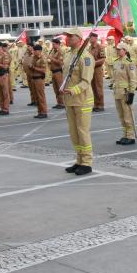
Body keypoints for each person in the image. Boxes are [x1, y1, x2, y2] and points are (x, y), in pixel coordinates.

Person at [62, 28, 95, 175]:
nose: (67, 38)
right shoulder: (69, 55)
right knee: (74, 132)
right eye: (67, 36)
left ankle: (87, 162)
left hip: (82, 100)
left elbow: (86, 81)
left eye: (70, 36)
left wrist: (73, 90)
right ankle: (79, 160)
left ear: (79, 38)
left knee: (82, 132)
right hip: (70, 100)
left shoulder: (86, 57)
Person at [112, 42, 137, 145]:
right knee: (121, 115)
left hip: (125, 92)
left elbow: (133, 79)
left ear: (125, 50)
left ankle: (131, 136)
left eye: (119, 49)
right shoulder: (116, 62)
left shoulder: (129, 62)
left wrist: (131, 93)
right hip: (117, 91)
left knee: (128, 115)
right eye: (117, 49)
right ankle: (125, 134)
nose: (117, 51)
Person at [29, 44, 49, 118]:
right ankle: (39, 111)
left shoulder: (43, 59)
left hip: (39, 79)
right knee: (36, 96)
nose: (34, 52)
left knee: (41, 96)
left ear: (40, 51)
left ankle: (44, 112)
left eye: (35, 50)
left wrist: (33, 68)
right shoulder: (34, 58)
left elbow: (43, 70)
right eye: (33, 50)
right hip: (34, 78)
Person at [89, 34, 106, 112]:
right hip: (91, 70)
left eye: (91, 37)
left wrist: (93, 63)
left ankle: (100, 105)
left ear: (96, 38)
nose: (90, 39)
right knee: (93, 88)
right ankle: (96, 104)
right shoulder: (89, 48)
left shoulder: (100, 47)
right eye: (90, 37)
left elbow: (102, 60)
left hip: (97, 69)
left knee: (98, 87)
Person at [49, 38, 66, 109]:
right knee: (55, 88)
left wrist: (51, 59)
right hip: (53, 71)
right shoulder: (53, 51)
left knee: (60, 87)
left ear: (58, 44)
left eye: (54, 44)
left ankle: (62, 103)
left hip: (58, 71)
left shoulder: (60, 51)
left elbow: (61, 63)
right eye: (52, 44)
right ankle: (59, 102)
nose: (52, 46)